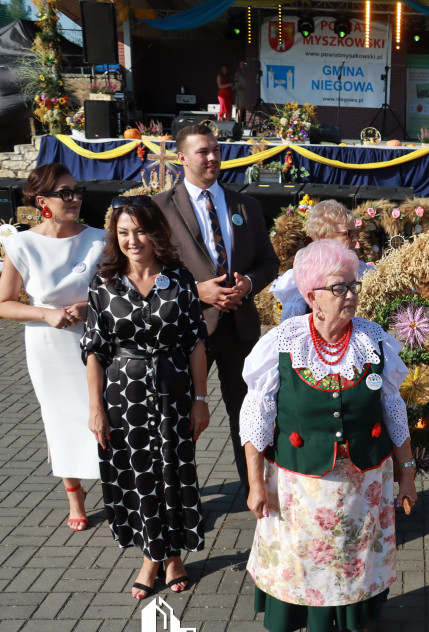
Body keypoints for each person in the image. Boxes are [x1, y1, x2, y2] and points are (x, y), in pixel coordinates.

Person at [240, 239, 417, 632]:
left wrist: (407, 471)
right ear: (311, 296)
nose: (351, 294)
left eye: (353, 285)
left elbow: (393, 406)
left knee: (359, 556)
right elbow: (257, 415)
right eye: (339, 287)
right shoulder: (283, 343)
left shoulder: (374, 339)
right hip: (304, 483)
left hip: (365, 479)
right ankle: (316, 630)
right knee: (312, 561)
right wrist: (254, 482)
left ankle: (359, 623)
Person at [82, 196, 209, 598]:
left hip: (173, 393)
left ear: (155, 233)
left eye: (139, 231)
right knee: (138, 475)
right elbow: (93, 349)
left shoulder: (180, 279)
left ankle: (173, 557)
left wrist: (202, 399)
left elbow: (195, 344)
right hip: (124, 396)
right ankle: (152, 556)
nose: (132, 240)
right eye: (123, 232)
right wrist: (95, 408)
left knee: (173, 471)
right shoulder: (103, 284)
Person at [153, 123, 279, 491]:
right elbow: (148, 274)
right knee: (181, 416)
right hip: (186, 331)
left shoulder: (246, 205)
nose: (212, 157)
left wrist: (249, 284)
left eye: (215, 149)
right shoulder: (159, 209)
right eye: (202, 152)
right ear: (181, 158)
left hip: (240, 330)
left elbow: (268, 263)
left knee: (251, 414)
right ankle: (181, 498)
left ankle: (257, 491)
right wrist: (196, 291)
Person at [0, 163, 104, 532]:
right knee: (60, 421)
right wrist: (44, 314)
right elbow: (4, 303)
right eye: (65, 193)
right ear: (42, 200)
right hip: (48, 347)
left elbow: (124, 293)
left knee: (108, 417)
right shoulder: (21, 244)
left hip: (99, 342)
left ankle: (121, 488)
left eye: (77, 191)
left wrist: (88, 307)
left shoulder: (101, 239)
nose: (74, 199)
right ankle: (74, 495)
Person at [271, 200, 375, 322]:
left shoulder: (366, 273)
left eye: (356, 233)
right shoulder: (301, 277)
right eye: (349, 234)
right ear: (324, 237)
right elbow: (291, 329)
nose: (356, 239)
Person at [233, 60, 247, 126]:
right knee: (240, 109)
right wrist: (242, 91)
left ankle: (245, 124)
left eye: (243, 64)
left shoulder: (248, 73)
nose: (242, 65)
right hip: (240, 94)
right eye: (241, 64)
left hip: (247, 94)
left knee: (247, 109)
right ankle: (237, 125)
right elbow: (236, 85)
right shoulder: (238, 74)